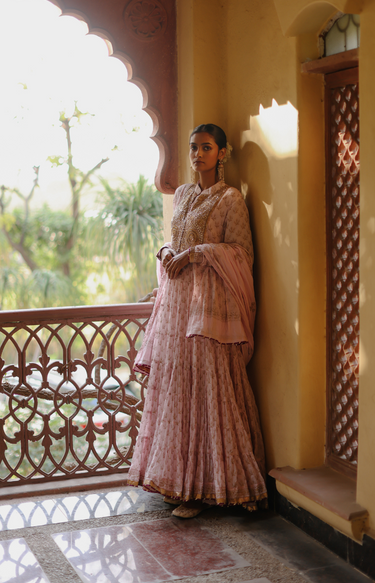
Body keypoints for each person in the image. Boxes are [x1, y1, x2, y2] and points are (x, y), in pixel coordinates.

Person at [127, 123, 267, 518]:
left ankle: (215, 488)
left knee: (211, 389)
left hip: (210, 308)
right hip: (178, 306)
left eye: (206, 147)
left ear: (222, 153)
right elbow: (176, 237)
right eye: (193, 148)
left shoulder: (231, 199)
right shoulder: (185, 193)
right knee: (180, 386)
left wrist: (196, 254)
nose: (197, 154)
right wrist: (167, 251)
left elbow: (242, 254)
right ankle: (180, 483)